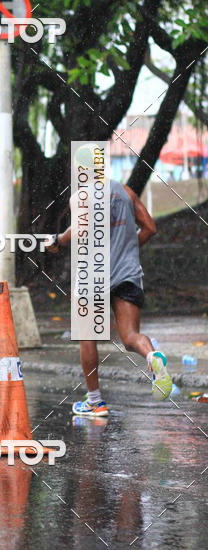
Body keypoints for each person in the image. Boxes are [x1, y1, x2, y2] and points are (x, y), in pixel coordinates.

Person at [46, 172, 173, 416]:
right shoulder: (126, 192)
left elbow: (80, 228)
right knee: (131, 336)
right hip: (127, 272)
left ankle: (95, 401)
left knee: (87, 336)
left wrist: (58, 241)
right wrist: (126, 250)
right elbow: (149, 228)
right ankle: (152, 355)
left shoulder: (82, 195)